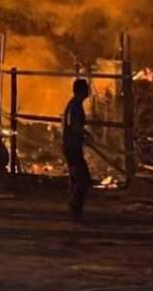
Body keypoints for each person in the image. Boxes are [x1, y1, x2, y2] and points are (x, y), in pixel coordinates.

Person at [61, 78, 91, 221]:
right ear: (81, 91)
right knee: (83, 178)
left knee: (76, 178)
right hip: (72, 147)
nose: (88, 92)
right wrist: (82, 133)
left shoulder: (75, 104)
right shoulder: (75, 105)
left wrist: (84, 134)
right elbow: (72, 123)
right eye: (86, 89)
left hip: (72, 146)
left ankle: (75, 209)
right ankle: (75, 207)